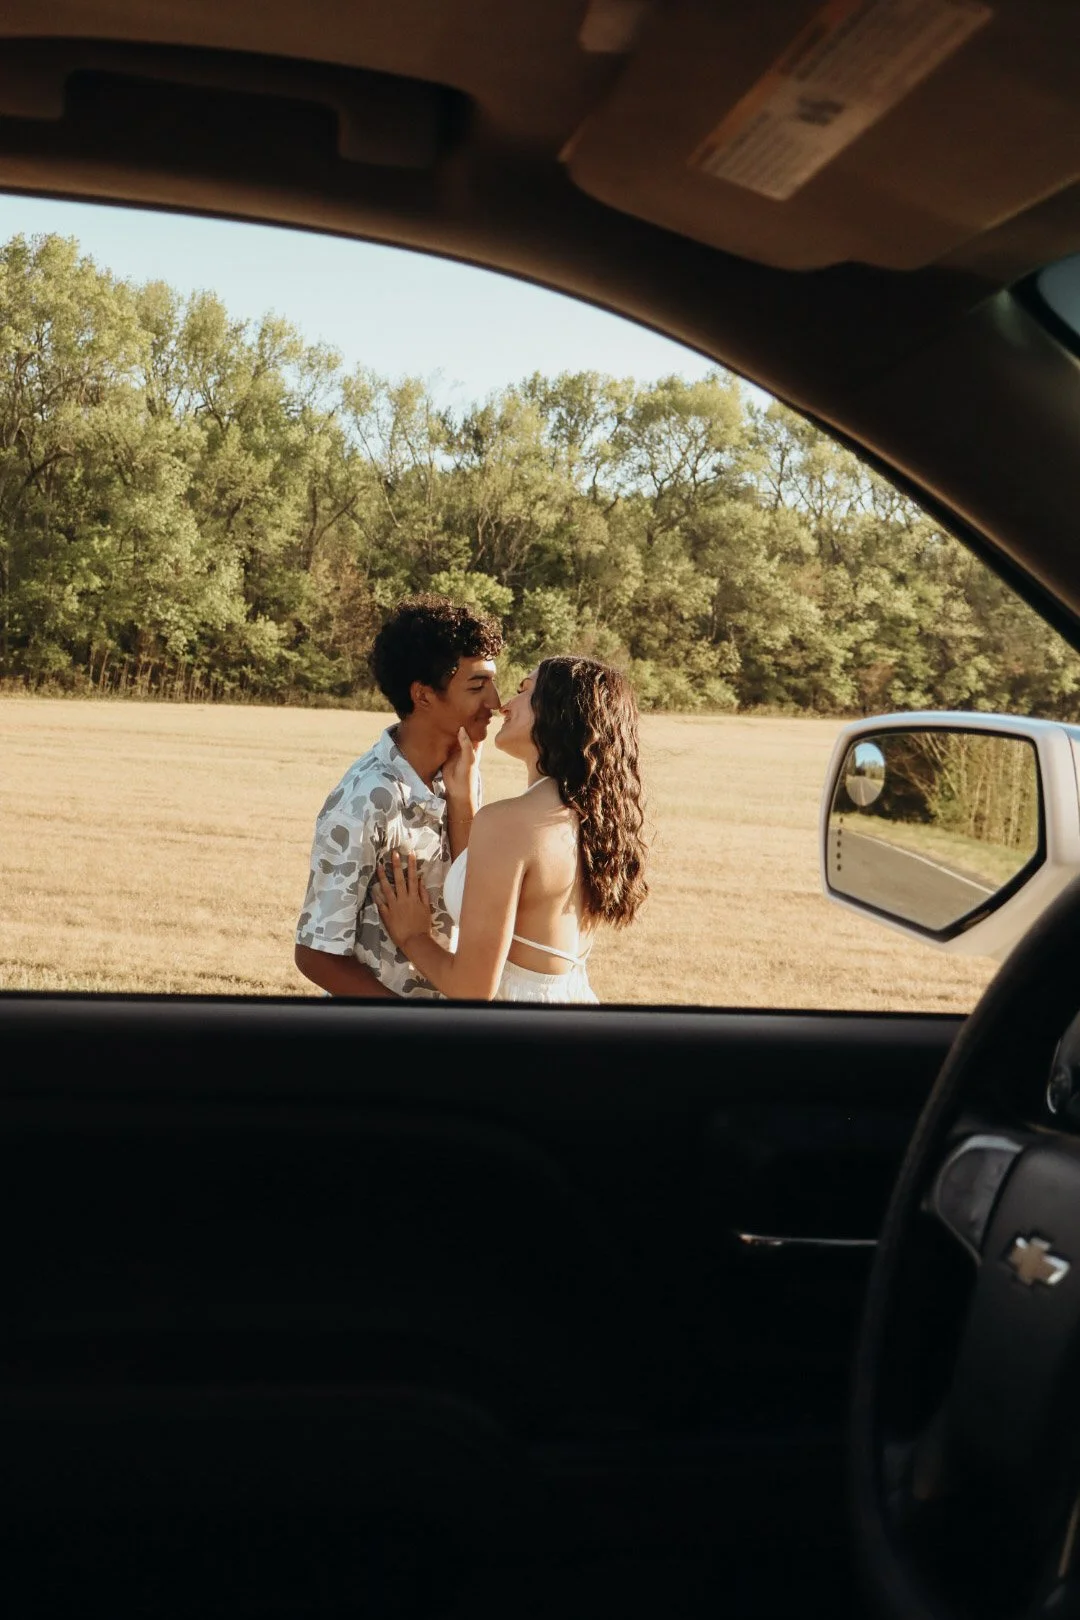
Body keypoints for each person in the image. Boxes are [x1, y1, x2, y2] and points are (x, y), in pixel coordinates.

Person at [375, 654, 648, 1002]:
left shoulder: (512, 821)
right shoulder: (584, 813)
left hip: (518, 1025)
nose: (504, 705)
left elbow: (472, 991)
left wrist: (414, 936)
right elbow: (490, 885)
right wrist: (463, 800)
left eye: (525, 691)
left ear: (559, 711)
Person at [294, 594, 503, 998]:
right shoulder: (367, 799)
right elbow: (315, 953)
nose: (495, 703)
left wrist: (463, 799)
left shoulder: (464, 773)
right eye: (478, 685)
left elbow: (473, 897)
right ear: (423, 695)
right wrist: (407, 1027)